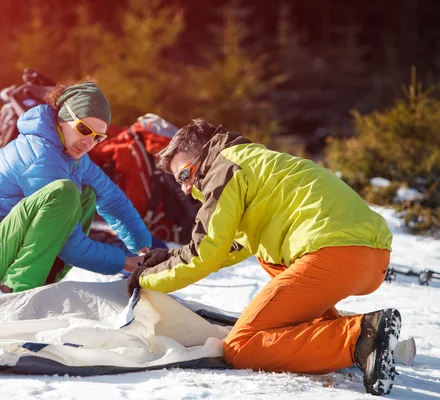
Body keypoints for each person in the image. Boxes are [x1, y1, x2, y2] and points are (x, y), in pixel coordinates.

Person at [127, 118, 401, 396]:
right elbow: (228, 245)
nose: (185, 188)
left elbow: (205, 254)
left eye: (184, 175)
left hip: (332, 253)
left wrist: (145, 280)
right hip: (372, 258)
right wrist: (169, 258)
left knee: (242, 348)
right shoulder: (255, 161)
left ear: (202, 153)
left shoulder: (223, 169)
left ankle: (360, 337)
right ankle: (328, 329)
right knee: (268, 257)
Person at [0, 79, 151, 295]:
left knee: (87, 195)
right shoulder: (41, 155)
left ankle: (42, 279)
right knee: (64, 193)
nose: (88, 142)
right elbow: (72, 246)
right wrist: (126, 263)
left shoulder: (72, 156)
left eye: (97, 137)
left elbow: (111, 197)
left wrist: (143, 247)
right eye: (83, 129)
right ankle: (14, 290)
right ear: (63, 119)